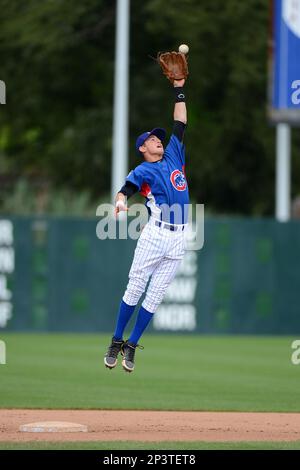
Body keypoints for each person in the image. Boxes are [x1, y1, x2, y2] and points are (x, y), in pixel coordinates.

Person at [104, 77, 189, 373]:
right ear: (143, 147)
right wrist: (120, 202)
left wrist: (179, 87)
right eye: (152, 138)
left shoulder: (174, 154)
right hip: (156, 233)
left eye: (158, 137)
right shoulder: (144, 169)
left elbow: (180, 122)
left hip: (180, 237)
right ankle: (116, 340)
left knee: (156, 295)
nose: (158, 139)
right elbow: (125, 189)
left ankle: (132, 345)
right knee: (136, 287)